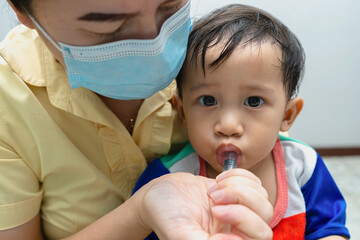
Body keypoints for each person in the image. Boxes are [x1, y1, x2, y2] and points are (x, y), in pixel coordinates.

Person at [0, 0, 273, 239]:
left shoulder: (211, 54)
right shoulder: (8, 102)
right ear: (22, 10)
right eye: (107, 25)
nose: (154, 45)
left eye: (170, 6)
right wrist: (139, 212)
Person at [133, 4, 350, 240]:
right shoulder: (166, 180)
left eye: (254, 101)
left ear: (286, 116)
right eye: (207, 100)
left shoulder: (302, 166)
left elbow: (329, 230)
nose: (228, 126)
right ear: (183, 113)